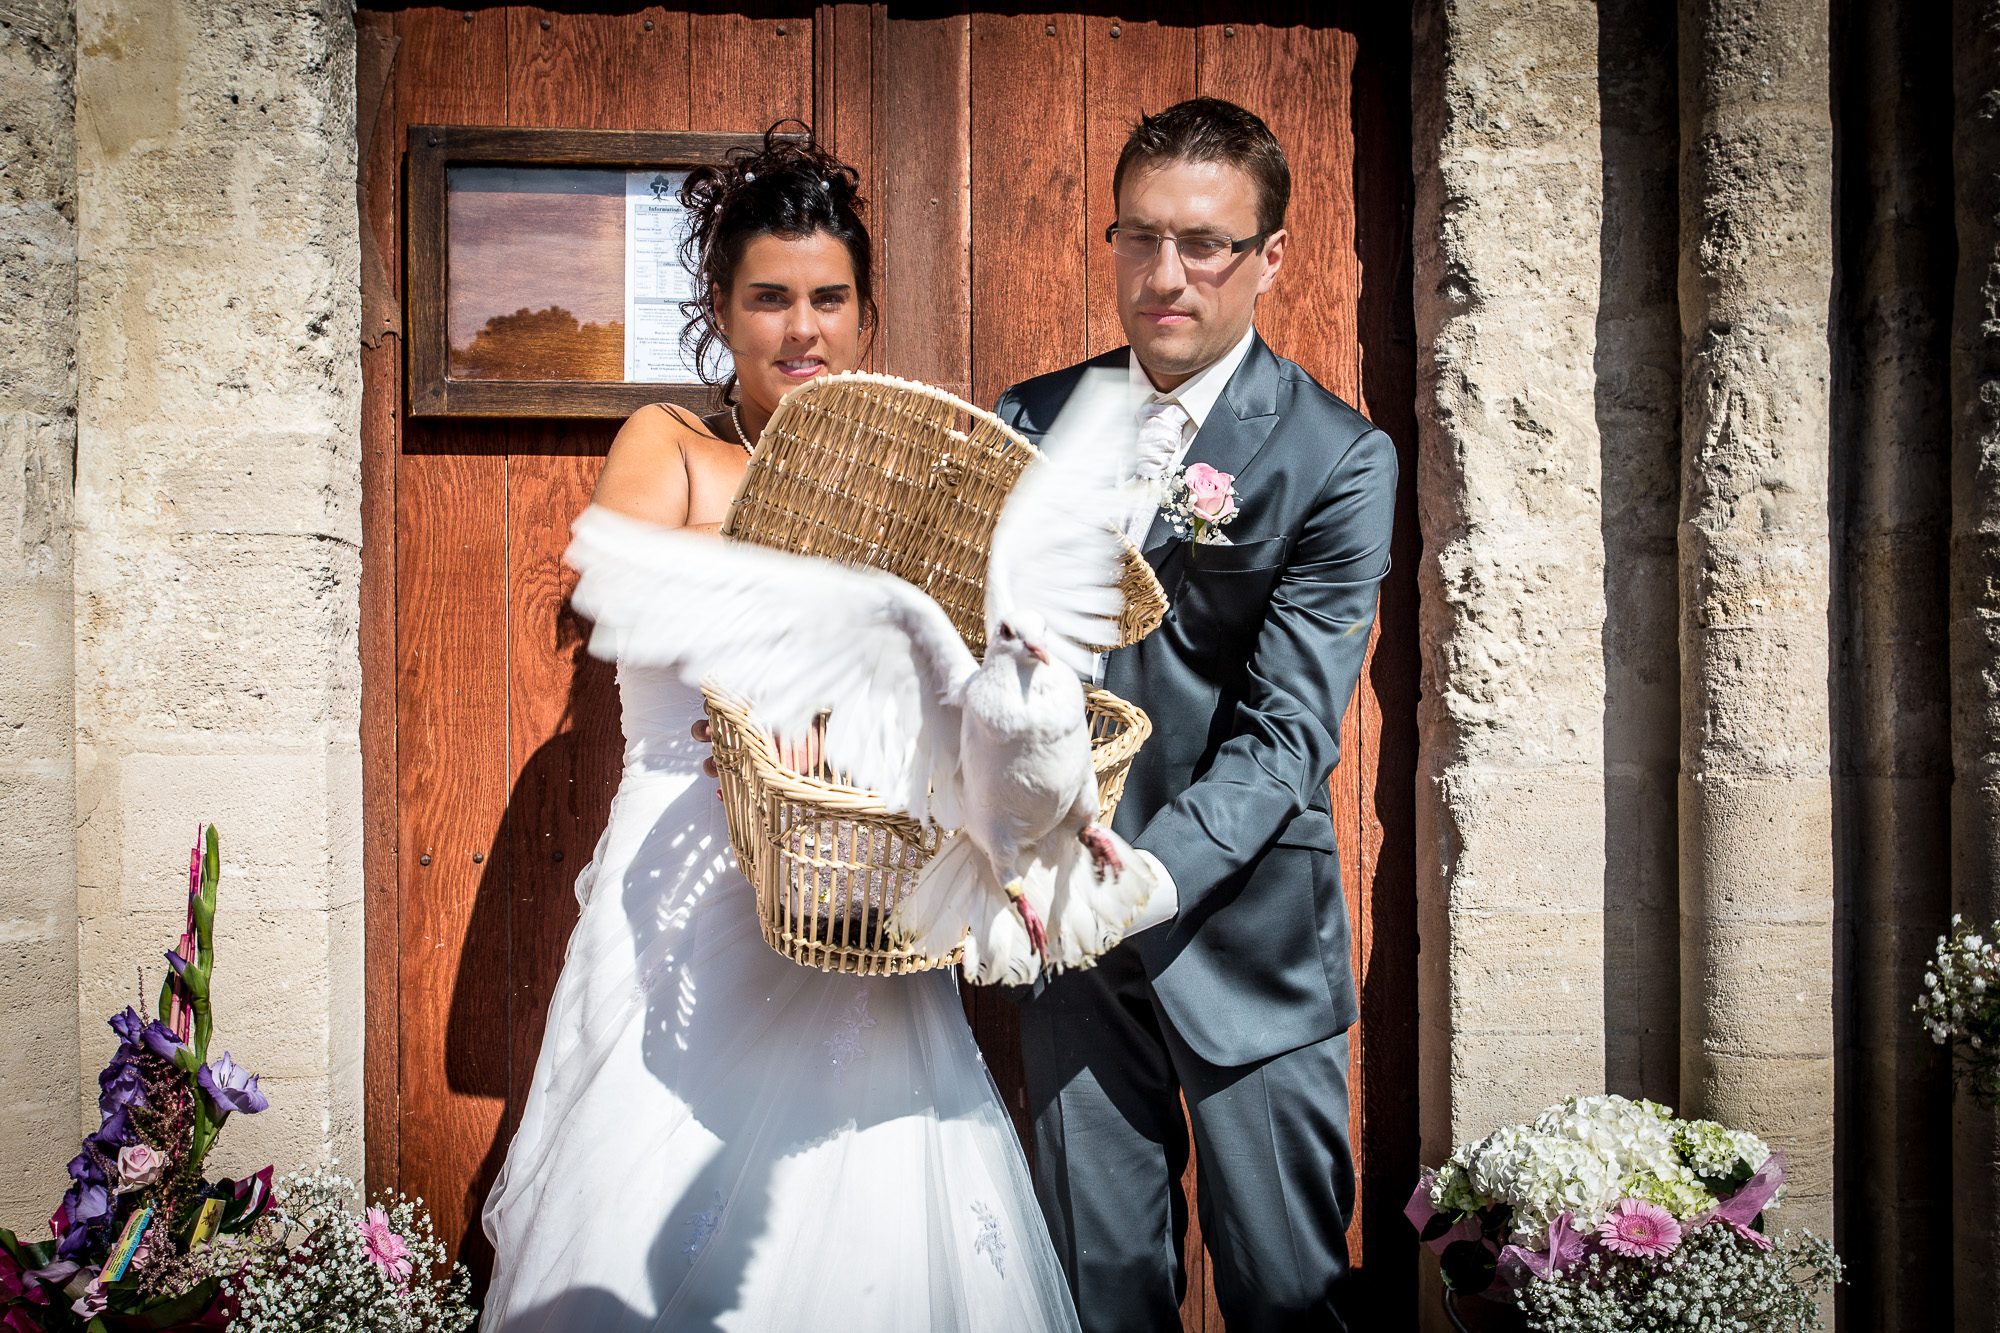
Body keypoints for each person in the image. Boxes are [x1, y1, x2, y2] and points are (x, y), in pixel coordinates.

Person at [478, 128, 1080, 1333]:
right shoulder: (673, 449)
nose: (800, 329)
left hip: (850, 889)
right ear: (720, 310)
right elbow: (617, 570)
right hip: (684, 892)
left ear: (862, 319)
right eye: (769, 299)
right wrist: (821, 638)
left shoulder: (908, 498)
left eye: (827, 299)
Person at [993, 98, 1399, 1331]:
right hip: (1062, 936)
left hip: (1241, 933)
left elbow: (1286, 732)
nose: (1164, 275)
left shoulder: (1336, 458)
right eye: (1139, 237)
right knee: (1101, 1292)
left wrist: (1144, 875)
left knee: (1287, 1295)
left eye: (1205, 243)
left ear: (1270, 257)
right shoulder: (1023, 423)